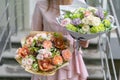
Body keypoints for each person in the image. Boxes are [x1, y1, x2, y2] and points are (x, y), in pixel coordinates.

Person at [31, 0, 89, 80]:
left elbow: (84, 41)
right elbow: (34, 37)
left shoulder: (79, 3)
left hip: (71, 60)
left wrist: (86, 35)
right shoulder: (41, 4)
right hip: (48, 60)